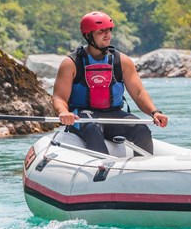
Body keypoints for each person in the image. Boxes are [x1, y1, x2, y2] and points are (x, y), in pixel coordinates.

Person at [52, 11, 168, 155]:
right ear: (88, 35)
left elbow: (138, 93)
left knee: (141, 129)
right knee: (92, 128)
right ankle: (102, 170)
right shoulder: (71, 63)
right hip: (82, 115)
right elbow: (59, 97)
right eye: (101, 31)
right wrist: (63, 112)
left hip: (113, 114)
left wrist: (154, 112)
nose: (107, 34)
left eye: (109, 30)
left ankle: (143, 171)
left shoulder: (122, 61)